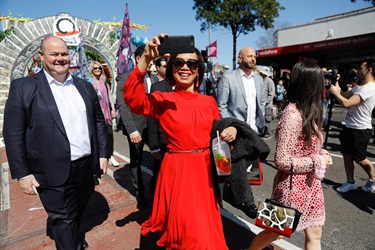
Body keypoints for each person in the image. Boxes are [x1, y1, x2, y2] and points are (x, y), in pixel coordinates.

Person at [123, 33, 237, 249]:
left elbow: (217, 135)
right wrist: (145, 59)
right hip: (178, 173)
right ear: (171, 67)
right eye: (179, 62)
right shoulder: (162, 98)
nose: (185, 68)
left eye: (192, 63)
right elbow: (134, 101)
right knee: (187, 234)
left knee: (207, 233)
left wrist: (231, 129)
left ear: (199, 68)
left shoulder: (209, 102)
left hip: (205, 174)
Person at [3, 36, 109, 250]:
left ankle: (74, 236)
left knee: (76, 211)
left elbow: (98, 120)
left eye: (64, 54)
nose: (60, 58)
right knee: (63, 219)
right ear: (41, 56)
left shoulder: (84, 86)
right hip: (50, 169)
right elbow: (13, 132)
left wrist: (103, 154)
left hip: (86, 167)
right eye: (54, 54)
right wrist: (23, 174)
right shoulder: (23, 87)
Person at [249, 60, 332, 250]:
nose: (323, 86)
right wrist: (317, 160)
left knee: (315, 233)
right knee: (276, 231)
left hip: (311, 186)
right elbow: (282, 160)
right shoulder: (292, 114)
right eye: (320, 81)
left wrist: (321, 153)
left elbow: (307, 147)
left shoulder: (309, 110)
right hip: (292, 187)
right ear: (311, 84)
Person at [216, 46, 266, 218]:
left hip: (254, 131)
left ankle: (239, 193)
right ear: (239, 59)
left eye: (254, 56)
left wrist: (262, 123)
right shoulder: (228, 78)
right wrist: (230, 125)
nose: (253, 59)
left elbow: (262, 103)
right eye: (249, 56)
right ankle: (246, 200)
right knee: (237, 165)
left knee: (250, 167)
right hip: (236, 130)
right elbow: (221, 106)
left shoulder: (259, 80)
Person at [330, 57, 375, 193]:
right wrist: (336, 81)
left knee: (361, 159)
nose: (358, 71)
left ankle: (373, 180)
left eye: (361, 68)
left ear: (369, 70)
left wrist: (335, 93)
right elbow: (343, 95)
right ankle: (351, 182)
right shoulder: (359, 87)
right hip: (349, 127)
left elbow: (346, 103)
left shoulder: (370, 89)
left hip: (361, 130)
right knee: (347, 156)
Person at [116, 45, 149, 207]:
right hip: (137, 127)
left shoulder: (154, 77)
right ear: (138, 59)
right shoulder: (124, 78)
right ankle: (139, 192)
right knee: (137, 160)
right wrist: (132, 129)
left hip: (154, 126)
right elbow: (123, 106)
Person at [87, 61, 119, 167]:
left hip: (107, 113)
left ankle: (110, 155)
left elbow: (109, 96)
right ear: (92, 69)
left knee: (109, 134)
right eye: (95, 68)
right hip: (95, 112)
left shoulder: (104, 82)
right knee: (97, 135)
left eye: (99, 68)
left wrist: (112, 109)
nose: (97, 70)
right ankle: (98, 157)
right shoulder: (89, 82)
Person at [147, 78, 173, 194]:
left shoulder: (192, 87)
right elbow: (152, 118)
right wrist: (154, 146)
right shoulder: (157, 87)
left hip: (185, 145)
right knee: (160, 175)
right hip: (163, 141)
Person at [257, 65, 275, 139]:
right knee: (262, 118)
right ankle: (262, 132)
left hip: (267, 105)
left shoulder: (269, 81)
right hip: (262, 104)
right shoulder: (261, 80)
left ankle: (268, 133)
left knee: (268, 119)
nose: (260, 74)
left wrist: (267, 101)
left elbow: (272, 93)